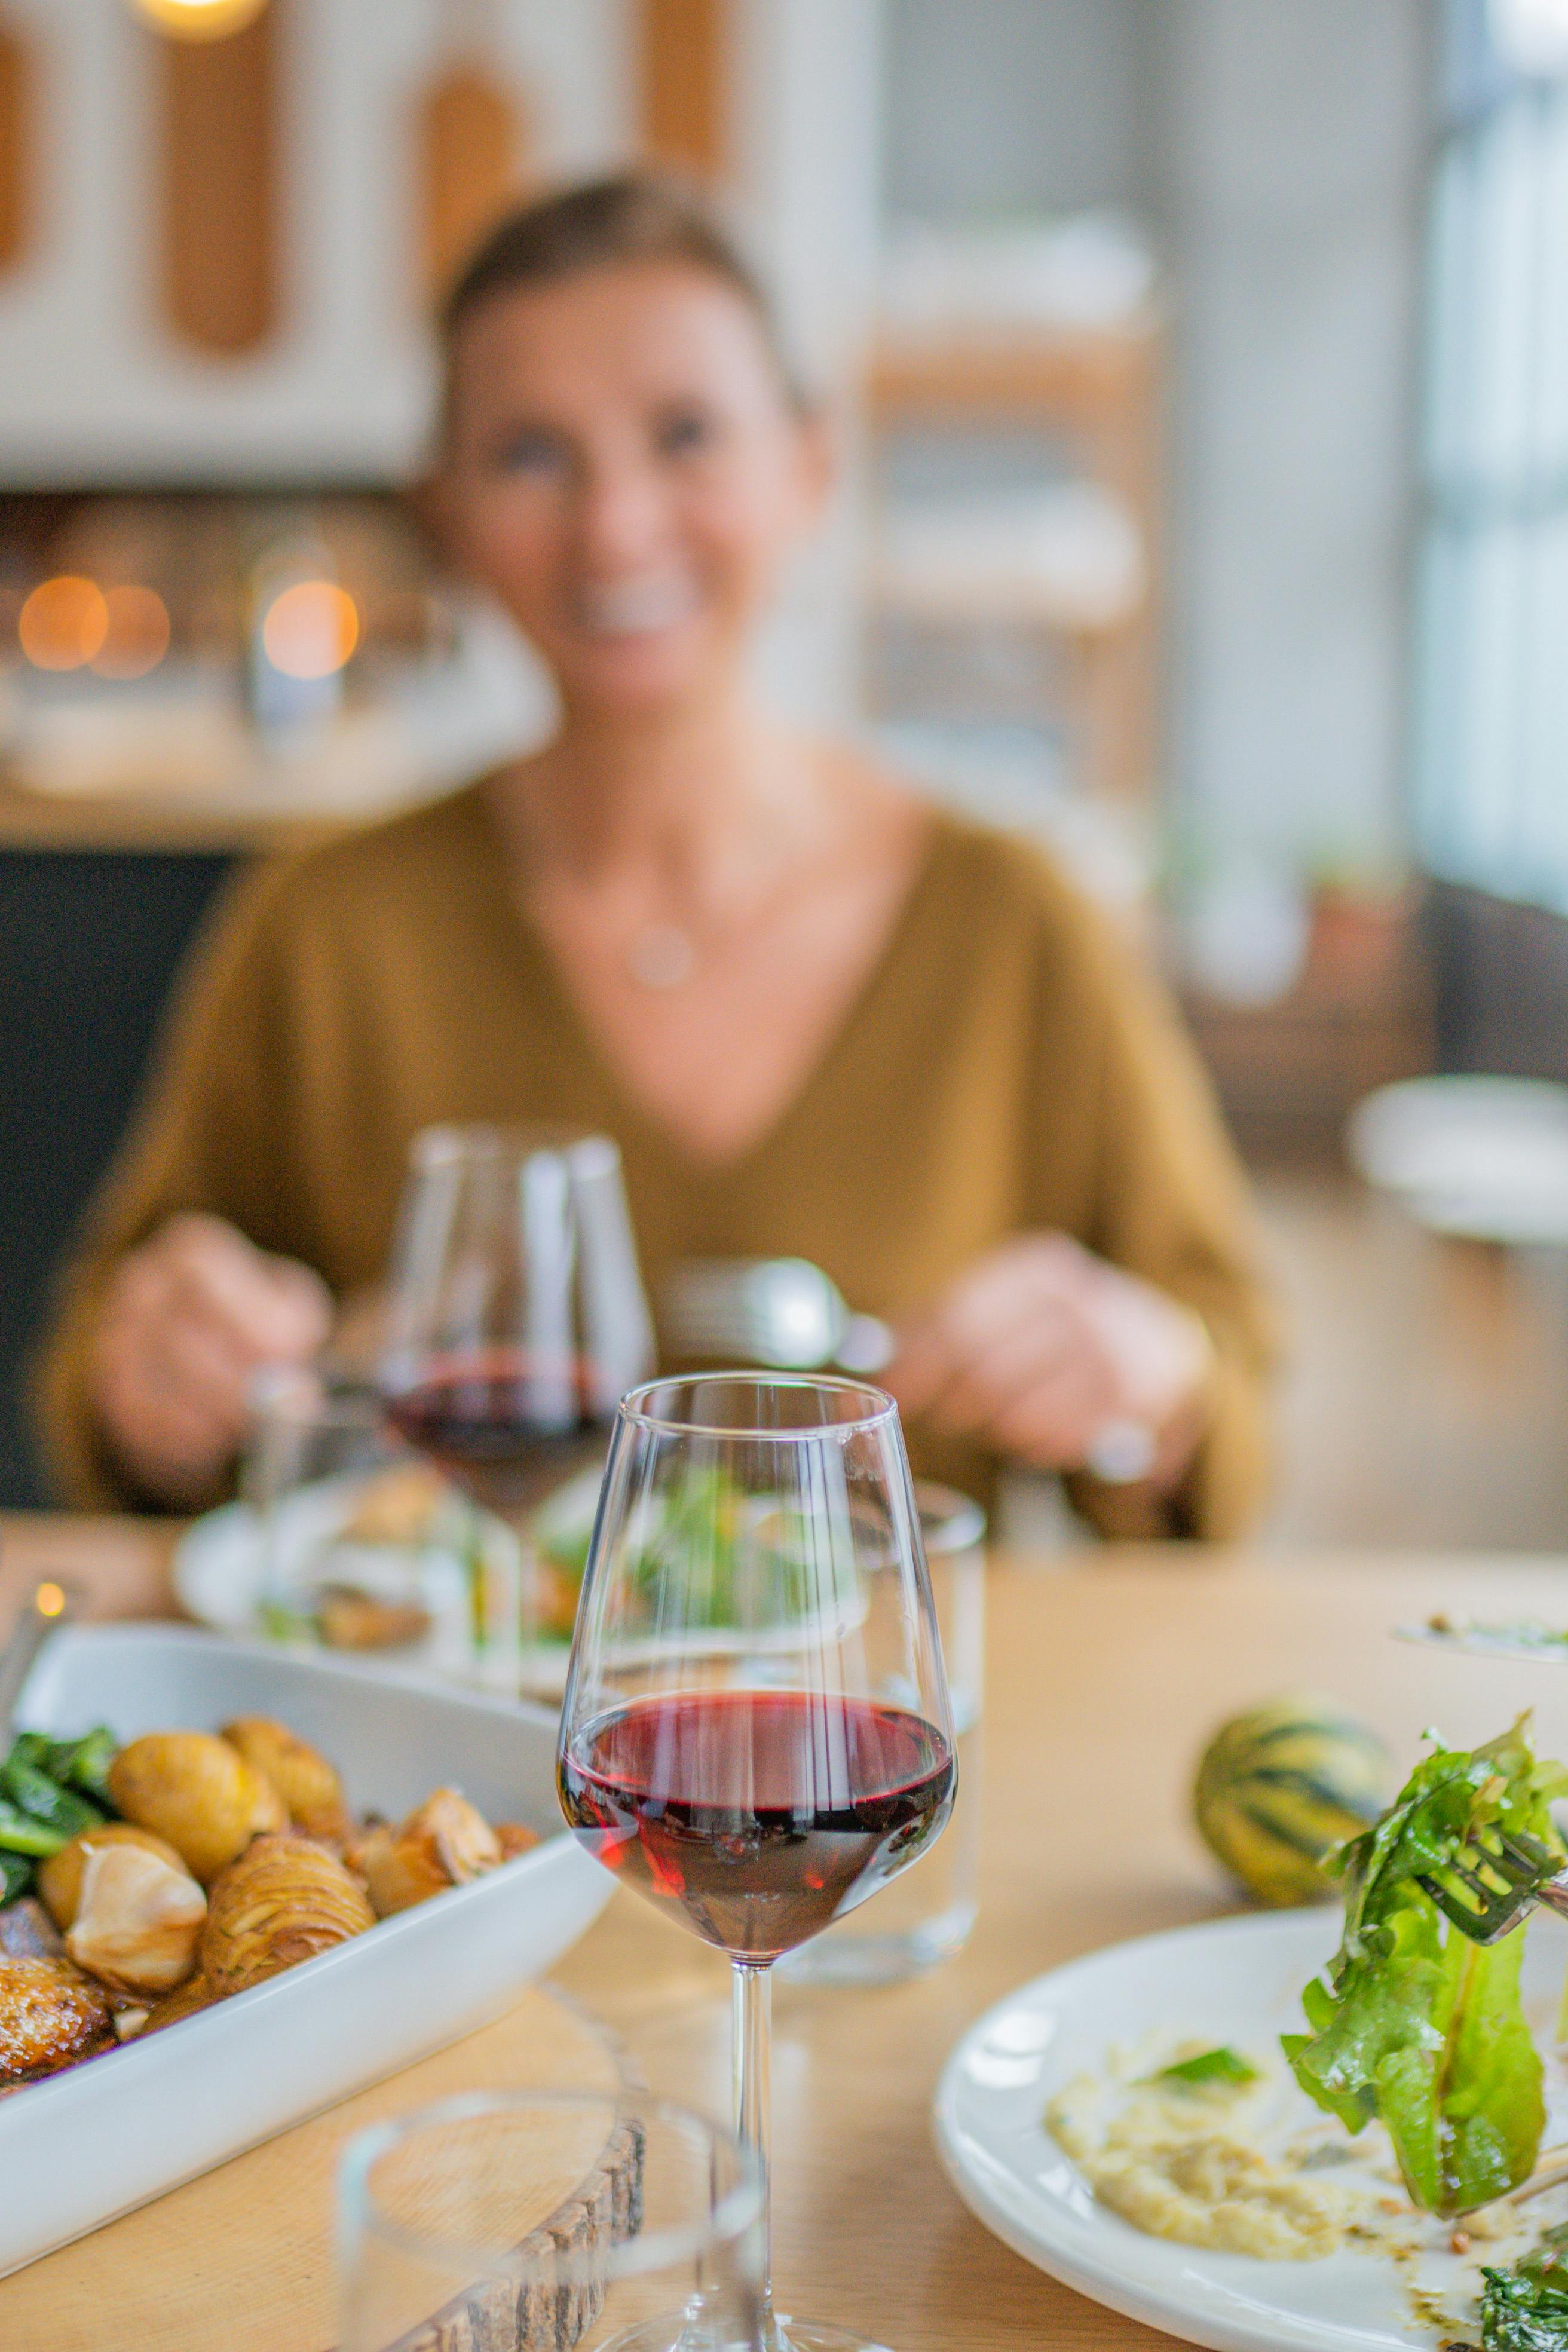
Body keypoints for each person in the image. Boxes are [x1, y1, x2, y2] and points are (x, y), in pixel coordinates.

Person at [36, 172, 1275, 1538]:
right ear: (445, 514)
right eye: (529, 455)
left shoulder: (1013, 920)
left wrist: (1157, 1384)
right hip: (434, 1725)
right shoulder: (323, 925)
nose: (615, 527)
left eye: (684, 435)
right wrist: (161, 1377)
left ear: (809, 468)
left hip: (884, 1730)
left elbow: (1234, 1392)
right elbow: (101, 1370)